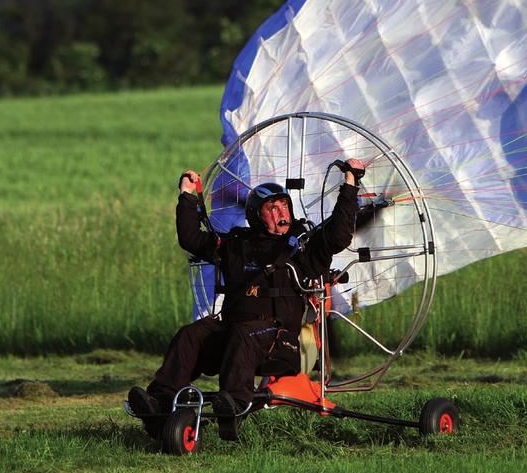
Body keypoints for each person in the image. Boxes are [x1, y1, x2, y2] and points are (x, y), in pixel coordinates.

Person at [128, 158, 363, 440]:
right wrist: (187, 196)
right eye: (271, 208)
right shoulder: (237, 244)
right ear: (256, 215)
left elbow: (338, 235)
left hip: (278, 340)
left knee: (242, 333)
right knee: (192, 334)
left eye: (284, 206)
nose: (281, 213)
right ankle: (158, 402)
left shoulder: (303, 247)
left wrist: (350, 184)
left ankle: (235, 402)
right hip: (234, 332)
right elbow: (191, 239)